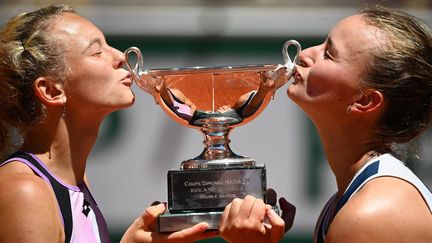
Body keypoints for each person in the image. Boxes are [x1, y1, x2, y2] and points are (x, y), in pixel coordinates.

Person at [0, 4, 217, 243]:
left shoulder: (77, 182)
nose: (120, 56)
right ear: (51, 90)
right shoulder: (24, 191)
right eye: (96, 52)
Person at [219, 4, 432, 243]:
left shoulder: (371, 215)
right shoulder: (349, 202)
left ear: (364, 100)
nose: (304, 54)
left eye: (329, 54)